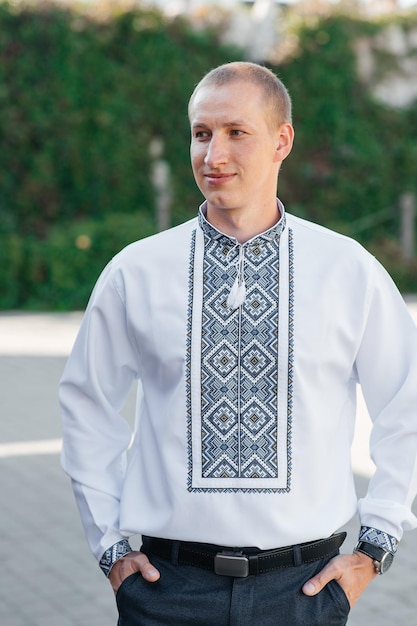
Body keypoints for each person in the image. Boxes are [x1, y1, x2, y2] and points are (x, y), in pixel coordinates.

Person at [59, 62, 417, 626]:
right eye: (201, 134)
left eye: (235, 132)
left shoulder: (347, 271)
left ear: (282, 140)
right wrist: (109, 548)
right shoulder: (138, 271)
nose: (212, 155)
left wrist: (375, 548)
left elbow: (405, 405)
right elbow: (86, 404)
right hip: (166, 592)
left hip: (306, 593)